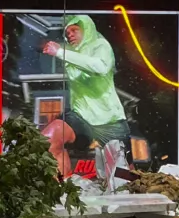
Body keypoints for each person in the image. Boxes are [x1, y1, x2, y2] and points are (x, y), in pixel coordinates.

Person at [41, 14, 131, 190]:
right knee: (48, 140)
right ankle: (62, 194)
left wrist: (60, 52)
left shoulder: (100, 45)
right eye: (67, 33)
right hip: (81, 116)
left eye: (74, 30)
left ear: (87, 29)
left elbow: (100, 67)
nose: (70, 35)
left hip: (109, 121)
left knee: (125, 177)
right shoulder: (71, 54)